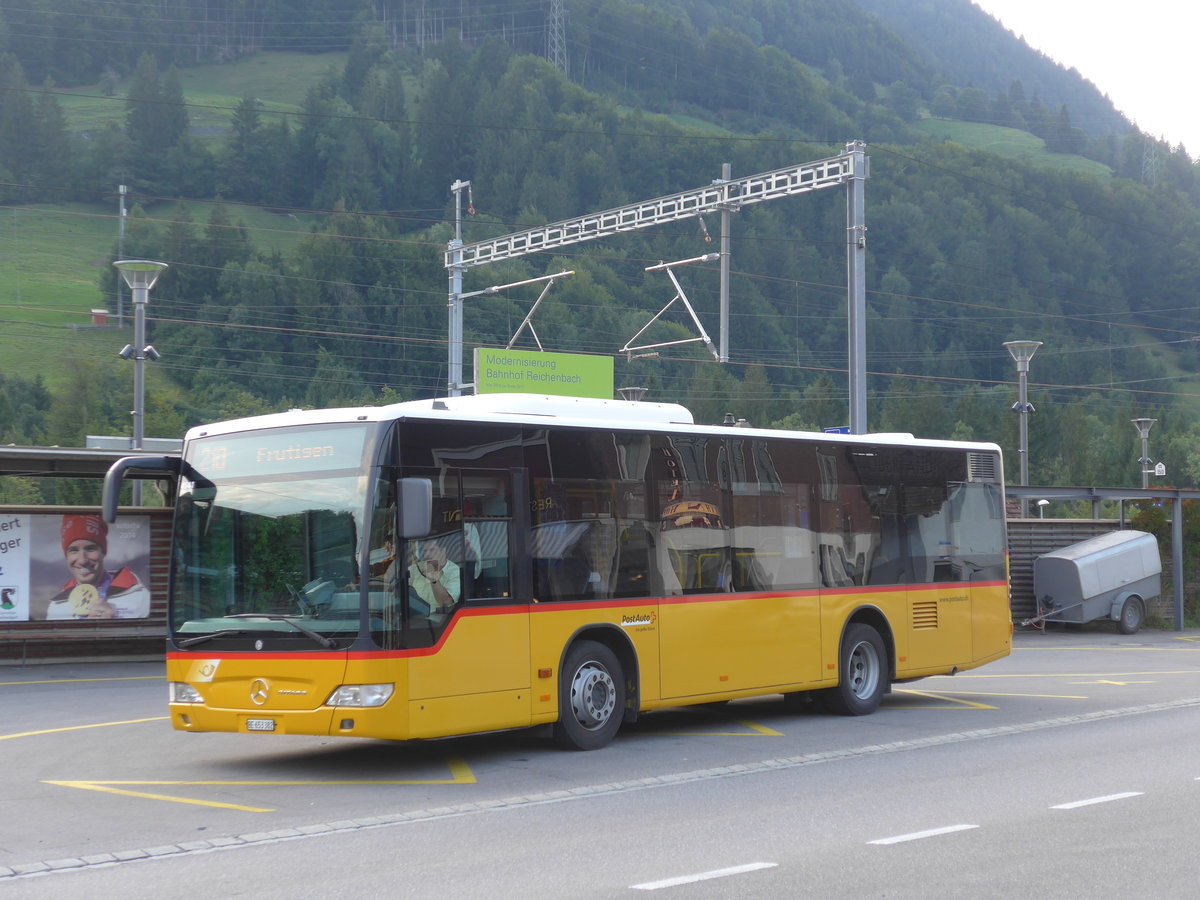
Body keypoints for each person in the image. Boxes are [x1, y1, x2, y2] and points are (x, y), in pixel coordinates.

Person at [43, 514, 151, 620]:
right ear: (66, 556)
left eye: (90, 549)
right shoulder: (56, 607)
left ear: (103, 552)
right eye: (74, 550)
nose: (82, 560)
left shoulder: (139, 597)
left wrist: (113, 625)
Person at [407, 540, 460, 615]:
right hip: (414, 617)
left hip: (440, 621)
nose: (427, 555)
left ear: (443, 550)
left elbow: (446, 603)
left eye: (431, 550)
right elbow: (394, 587)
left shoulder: (455, 572)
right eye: (425, 551)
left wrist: (434, 580)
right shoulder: (416, 568)